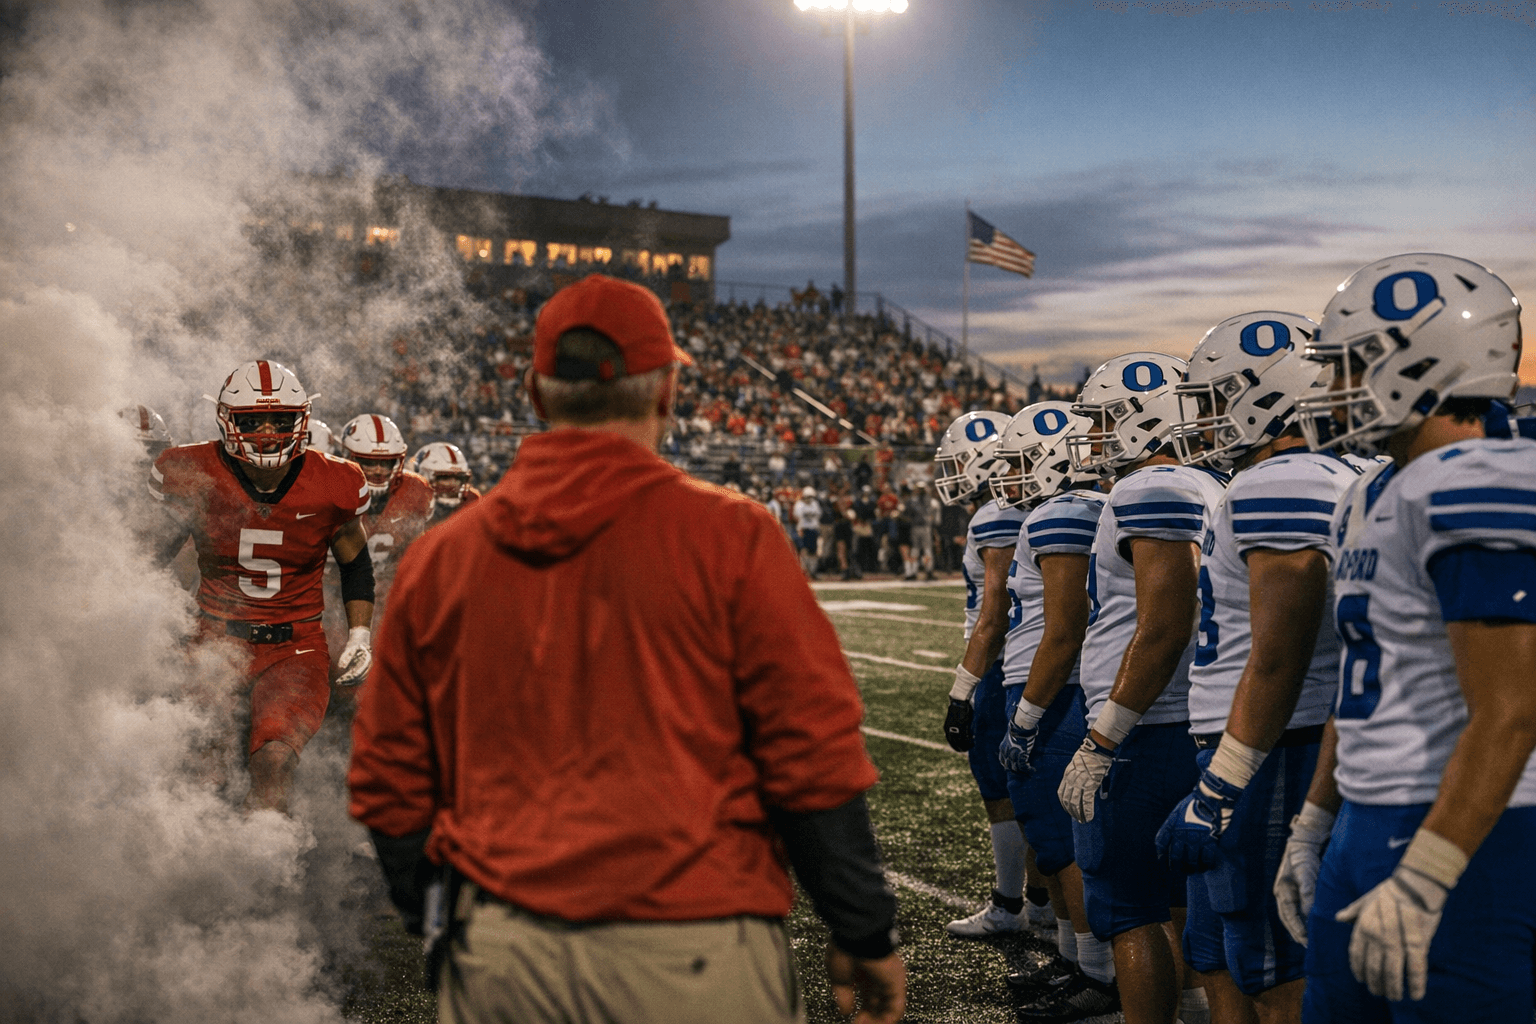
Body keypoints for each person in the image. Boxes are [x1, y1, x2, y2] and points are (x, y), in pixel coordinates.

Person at [348, 274, 906, 1024]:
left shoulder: (443, 559)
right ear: (668, 392)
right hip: (692, 943)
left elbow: (388, 774)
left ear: (537, 396)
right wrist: (862, 925)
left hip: (505, 945)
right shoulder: (730, 535)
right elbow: (811, 754)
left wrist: (442, 921)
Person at [1283, 253, 1536, 1021]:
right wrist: (1314, 822)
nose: (1331, 391)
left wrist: (1430, 868)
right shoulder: (1372, 489)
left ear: (1420, 364)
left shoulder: (1482, 477)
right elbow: (1372, 669)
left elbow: (1512, 709)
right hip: (1367, 812)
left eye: (1349, 367)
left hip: (1463, 825)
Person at [1153, 312, 1343, 1024]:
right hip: (1276, 737)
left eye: (1213, 399)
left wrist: (1221, 782)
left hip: (1278, 744)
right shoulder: (1304, 476)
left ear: (1262, 393)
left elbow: (1276, 655)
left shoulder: (1282, 481)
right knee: (1228, 951)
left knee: (1279, 972)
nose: (1203, 421)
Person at [1057, 352, 1227, 1024]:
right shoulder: (1212, 482)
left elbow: (1164, 626)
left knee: (1131, 908)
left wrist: (1104, 736)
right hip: (1197, 721)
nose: (1095, 436)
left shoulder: (1147, 489)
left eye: (1104, 420)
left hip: (1147, 730)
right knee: (1184, 905)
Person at [148, 359, 375, 812]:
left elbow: (356, 562)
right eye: (253, 420)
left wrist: (360, 634)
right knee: (201, 763)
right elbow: (152, 552)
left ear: (302, 421)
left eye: (281, 419)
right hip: (212, 637)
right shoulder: (190, 470)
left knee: (274, 761)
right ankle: (197, 864)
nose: (269, 431)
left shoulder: (336, 481)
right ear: (228, 421)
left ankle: (265, 871)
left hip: (296, 647)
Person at [990, 401, 1120, 1021]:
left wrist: (1026, 715)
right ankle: (1075, 961)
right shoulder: (1082, 508)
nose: (1010, 475)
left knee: (1063, 843)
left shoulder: (1064, 512)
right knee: (1052, 839)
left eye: (1020, 461)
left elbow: (1063, 629)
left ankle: (1095, 971)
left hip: (1053, 689)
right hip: (1053, 685)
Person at [933, 409, 1036, 937]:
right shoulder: (1018, 507)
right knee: (1027, 789)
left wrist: (963, 687)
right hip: (1019, 660)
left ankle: (1009, 903)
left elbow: (993, 615)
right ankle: (1040, 902)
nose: (952, 474)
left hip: (1001, 665)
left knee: (1001, 789)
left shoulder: (996, 514)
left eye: (958, 462)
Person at [340, 414, 434, 599]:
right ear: (346, 457)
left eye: (387, 462)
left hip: (388, 590)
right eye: (369, 462)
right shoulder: (330, 487)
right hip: (335, 589)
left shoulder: (414, 490)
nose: (378, 470)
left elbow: (416, 553)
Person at [411, 441, 482, 526]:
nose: (454, 483)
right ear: (422, 477)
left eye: (460, 477)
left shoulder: (471, 500)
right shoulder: (408, 504)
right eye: (445, 477)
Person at [793, 484, 823, 578]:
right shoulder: (799, 505)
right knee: (804, 551)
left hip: (813, 529)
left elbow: (818, 516)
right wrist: (800, 529)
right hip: (804, 529)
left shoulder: (814, 504)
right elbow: (796, 517)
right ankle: (804, 571)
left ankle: (813, 571)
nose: (809, 499)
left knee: (814, 552)